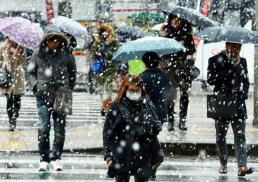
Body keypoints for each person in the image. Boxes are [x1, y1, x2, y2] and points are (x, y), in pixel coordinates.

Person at [28, 24, 77, 172]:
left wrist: (68, 88)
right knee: (44, 127)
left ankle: (56, 157)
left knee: (59, 129)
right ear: (46, 40)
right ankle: (44, 159)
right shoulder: (37, 53)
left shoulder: (67, 54)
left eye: (56, 40)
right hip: (43, 95)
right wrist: (35, 86)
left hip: (62, 94)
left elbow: (72, 72)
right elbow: (31, 72)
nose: (54, 42)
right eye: (51, 39)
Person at [103, 74, 163, 182]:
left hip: (143, 154)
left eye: (137, 90)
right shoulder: (116, 106)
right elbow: (107, 132)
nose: (134, 93)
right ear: (125, 89)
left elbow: (157, 127)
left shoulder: (147, 104)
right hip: (121, 154)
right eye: (131, 90)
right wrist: (108, 157)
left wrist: (146, 126)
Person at [207, 42, 254, 176]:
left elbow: (245, 81)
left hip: (238, 104)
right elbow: (210, 80)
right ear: (227, 46)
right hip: (222, 103)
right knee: (220, 136)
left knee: (240, 136)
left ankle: (242, 166)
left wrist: (243, 94)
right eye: (233, 47)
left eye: (238, 47)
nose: (236, 50)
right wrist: (226, 69)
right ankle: (223, 163)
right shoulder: (215, 60)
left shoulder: (242, 62)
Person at [160, 14, 196, 131]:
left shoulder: (187, 34)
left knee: (184, 94)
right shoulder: (166, 33)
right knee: (170, 95)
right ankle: (170, 120)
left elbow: (192, 51)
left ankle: (182, 120)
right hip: (169, 68)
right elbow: (161, 52)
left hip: (183, 67)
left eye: (179, 19)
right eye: (174, 19)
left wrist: (183, 46)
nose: (176, 21)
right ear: (170, 21)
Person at [89, 22, 119, 114]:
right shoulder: (96, 42)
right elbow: (93, 53)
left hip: (111, 69)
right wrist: (97, 52)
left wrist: (106, 54)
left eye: (105, 32)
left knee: (109, 88)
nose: (103, 35)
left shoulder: (114, 42)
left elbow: (116, 53)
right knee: (101, 89)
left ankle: (107, 106)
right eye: (102, 33)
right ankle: (104, 105)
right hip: (100, 70)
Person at [0, 38, 27, 131]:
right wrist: (4, 64)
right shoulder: (3, 47)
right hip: (7, 76)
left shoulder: (21, 47)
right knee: (9, 100)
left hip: (18, 77)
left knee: (17, 99)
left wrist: (18, 53)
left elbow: (24, 62)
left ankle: (15, 114)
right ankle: (12, 121)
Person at [140, 52, 174, 124]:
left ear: (145, 64)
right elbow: (169, 96)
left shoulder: (141, 77)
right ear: (158, 63)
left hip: (144, 112)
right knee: (155, 133)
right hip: (160, 112)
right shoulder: (164, 77)